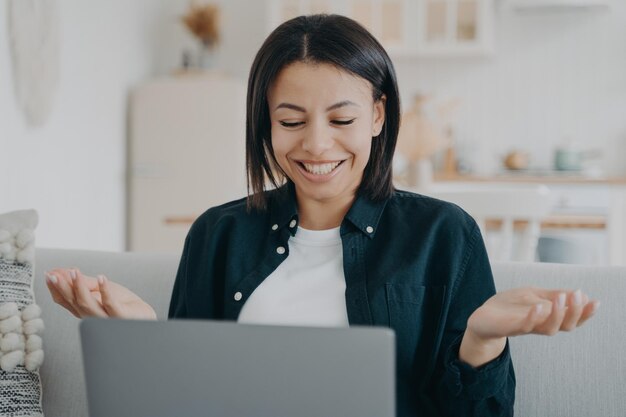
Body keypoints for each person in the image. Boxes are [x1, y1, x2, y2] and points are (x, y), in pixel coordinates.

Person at [45, 14, 598, 417]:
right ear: (265, 122)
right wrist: (143, 338)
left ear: (378, 115)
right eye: (291, 120)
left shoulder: (443, 234)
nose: (316, 144)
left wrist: (480, 341)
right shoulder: (218, 234)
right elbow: (185, 401)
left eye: (341, 119)